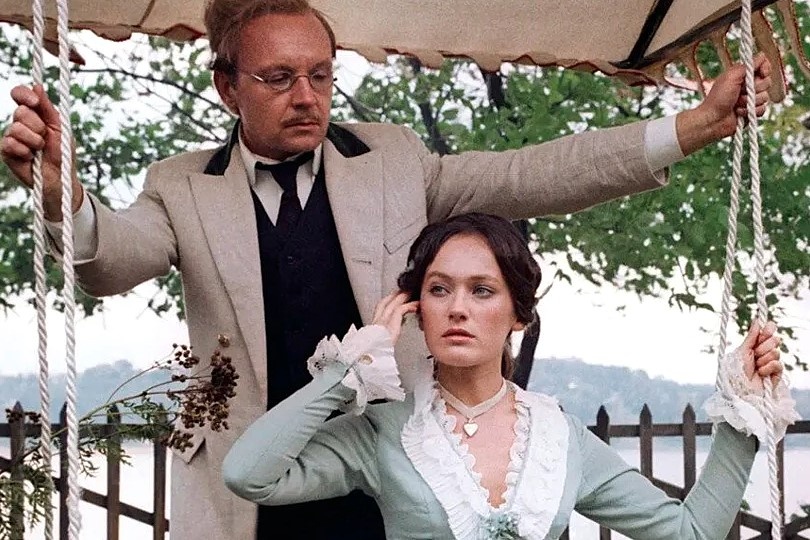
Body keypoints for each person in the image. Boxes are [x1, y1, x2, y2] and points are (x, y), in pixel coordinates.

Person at [0, 0, 774, 538]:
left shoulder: (393, 158)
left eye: (321, 75)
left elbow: (530, 174)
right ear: (227, 85)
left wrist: (694, 125)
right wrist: (64, 197)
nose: (308, 97)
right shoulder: (179, 184)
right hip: (250, 490)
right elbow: (113, 259)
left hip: (395, 478)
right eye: (279, 78)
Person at [222, 212, 799, 540]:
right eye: (439, 290)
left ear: (518, 314)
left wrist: (744, 412)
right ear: (416, 309)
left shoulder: (559, 437)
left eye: (482, 291)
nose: (457, 308)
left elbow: (692, 533)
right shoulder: (384, 432)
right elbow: (249, 476)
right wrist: (351, 367)